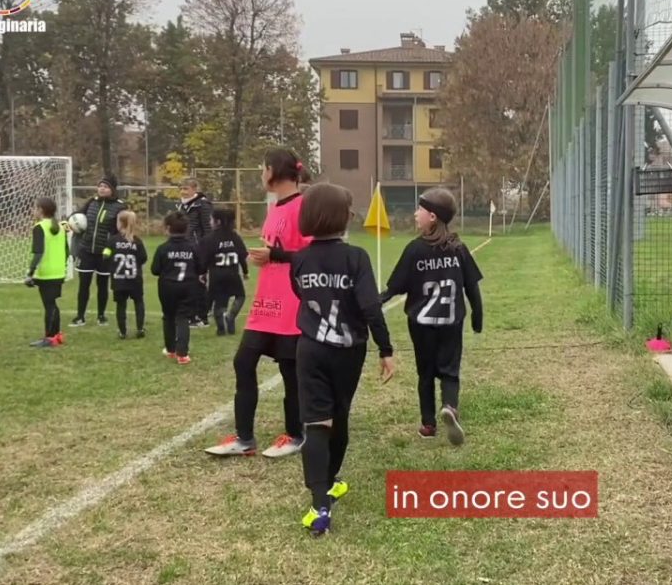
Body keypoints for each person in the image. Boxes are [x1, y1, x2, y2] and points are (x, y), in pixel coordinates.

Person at [289, 182, 396, 536]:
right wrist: (386, 348)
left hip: (311, 349)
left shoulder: (300, 259)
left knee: (317, 423)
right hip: (348, 351)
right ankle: (328, 486)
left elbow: (299, 292)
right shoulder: (356, 258)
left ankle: (321, 501)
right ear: (341, 217)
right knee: (339, 416)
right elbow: (370, 307)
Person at [205, 149, 310, 459]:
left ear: (274, 170)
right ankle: (244, 438)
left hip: (291, 304)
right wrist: (260, 258)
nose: (261, 175)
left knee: (291, 372)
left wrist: (275, 256)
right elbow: (275, 250)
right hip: (265, 304)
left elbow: (313, 256)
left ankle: (296, 434)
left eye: (263, 169)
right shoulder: (274, 207)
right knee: (243, 362)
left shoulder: (303, 207)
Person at [381, 187, 483, 445]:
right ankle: (450, 406)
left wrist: (375, 301)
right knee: (450, 372)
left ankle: (428, 424)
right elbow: (471, 286)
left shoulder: (415, 250)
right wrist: (477, 315)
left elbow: (395, 288)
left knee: (425, 374)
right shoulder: (458, 248)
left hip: (422, 325)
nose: (416, 213)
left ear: (433, 217)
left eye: (420, 209)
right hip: (451, 321)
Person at [71, 175, 126, 327]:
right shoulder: (91, 202)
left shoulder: (120, 206)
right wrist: (69, 223)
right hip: (86, 250)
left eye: (106, 186)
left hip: (105, 253)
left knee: (102, 285)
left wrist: (111, 246)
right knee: (84, 285)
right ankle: (80, 316)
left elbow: (121, 231)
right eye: (100, 185)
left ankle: (101, 316)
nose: (102, 188)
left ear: (113, 189)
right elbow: (75, 217)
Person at [151, 212, 201, 365]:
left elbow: (155, 270)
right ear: (186, 229)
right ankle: (183, 354)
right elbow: (201, 268)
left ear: (167, 228)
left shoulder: (162, 248)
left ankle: (171, 349)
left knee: (168, 316)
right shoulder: (193, 247)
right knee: (183, 318)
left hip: (167, 287)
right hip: (188, 286)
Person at [25, 198, 69, 349]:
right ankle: (56, 335)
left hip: (46, 273)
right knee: (53, 304)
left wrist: (30, 273)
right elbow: (67, 250)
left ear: (41, 210)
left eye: (35, 208)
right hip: (58, 271)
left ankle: (50, 337)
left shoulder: (39, 227)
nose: (33, 211)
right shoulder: (61, 227)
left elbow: (38, 252)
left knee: (49, 305)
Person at [197, 208, 248, 336]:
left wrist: (202, 273)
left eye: (211, 219)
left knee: (219, 303)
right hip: (233, 274)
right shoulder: (235, 237)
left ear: (218, 221)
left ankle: (221, 329)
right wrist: (245, 271)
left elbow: (204, 259)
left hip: (216, 276)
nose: (210, 221)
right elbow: (242, 255)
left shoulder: (209, 239)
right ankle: (231, 316)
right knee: (240, 296)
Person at [104, 210, 148, 340]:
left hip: (119, 280)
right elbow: (143, 258)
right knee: (138, 302)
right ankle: (140, 329)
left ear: (120, 223)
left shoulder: (112, 241)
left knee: (121, 305)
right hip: (134, 279)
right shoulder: (137, 241)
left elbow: (105, 255)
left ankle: (122, 332)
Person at [178, 177, 213, 328]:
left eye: (186, 189)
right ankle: (190, 314)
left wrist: (206, 250)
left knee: (199, 283)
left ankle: (202, 316)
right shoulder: (182, 205)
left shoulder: (202, 205)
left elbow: (207, 228)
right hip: (185, 247)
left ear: (194, 189)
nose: (183, 191)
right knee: (187, 282)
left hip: (198, 249)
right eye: (181, 188)